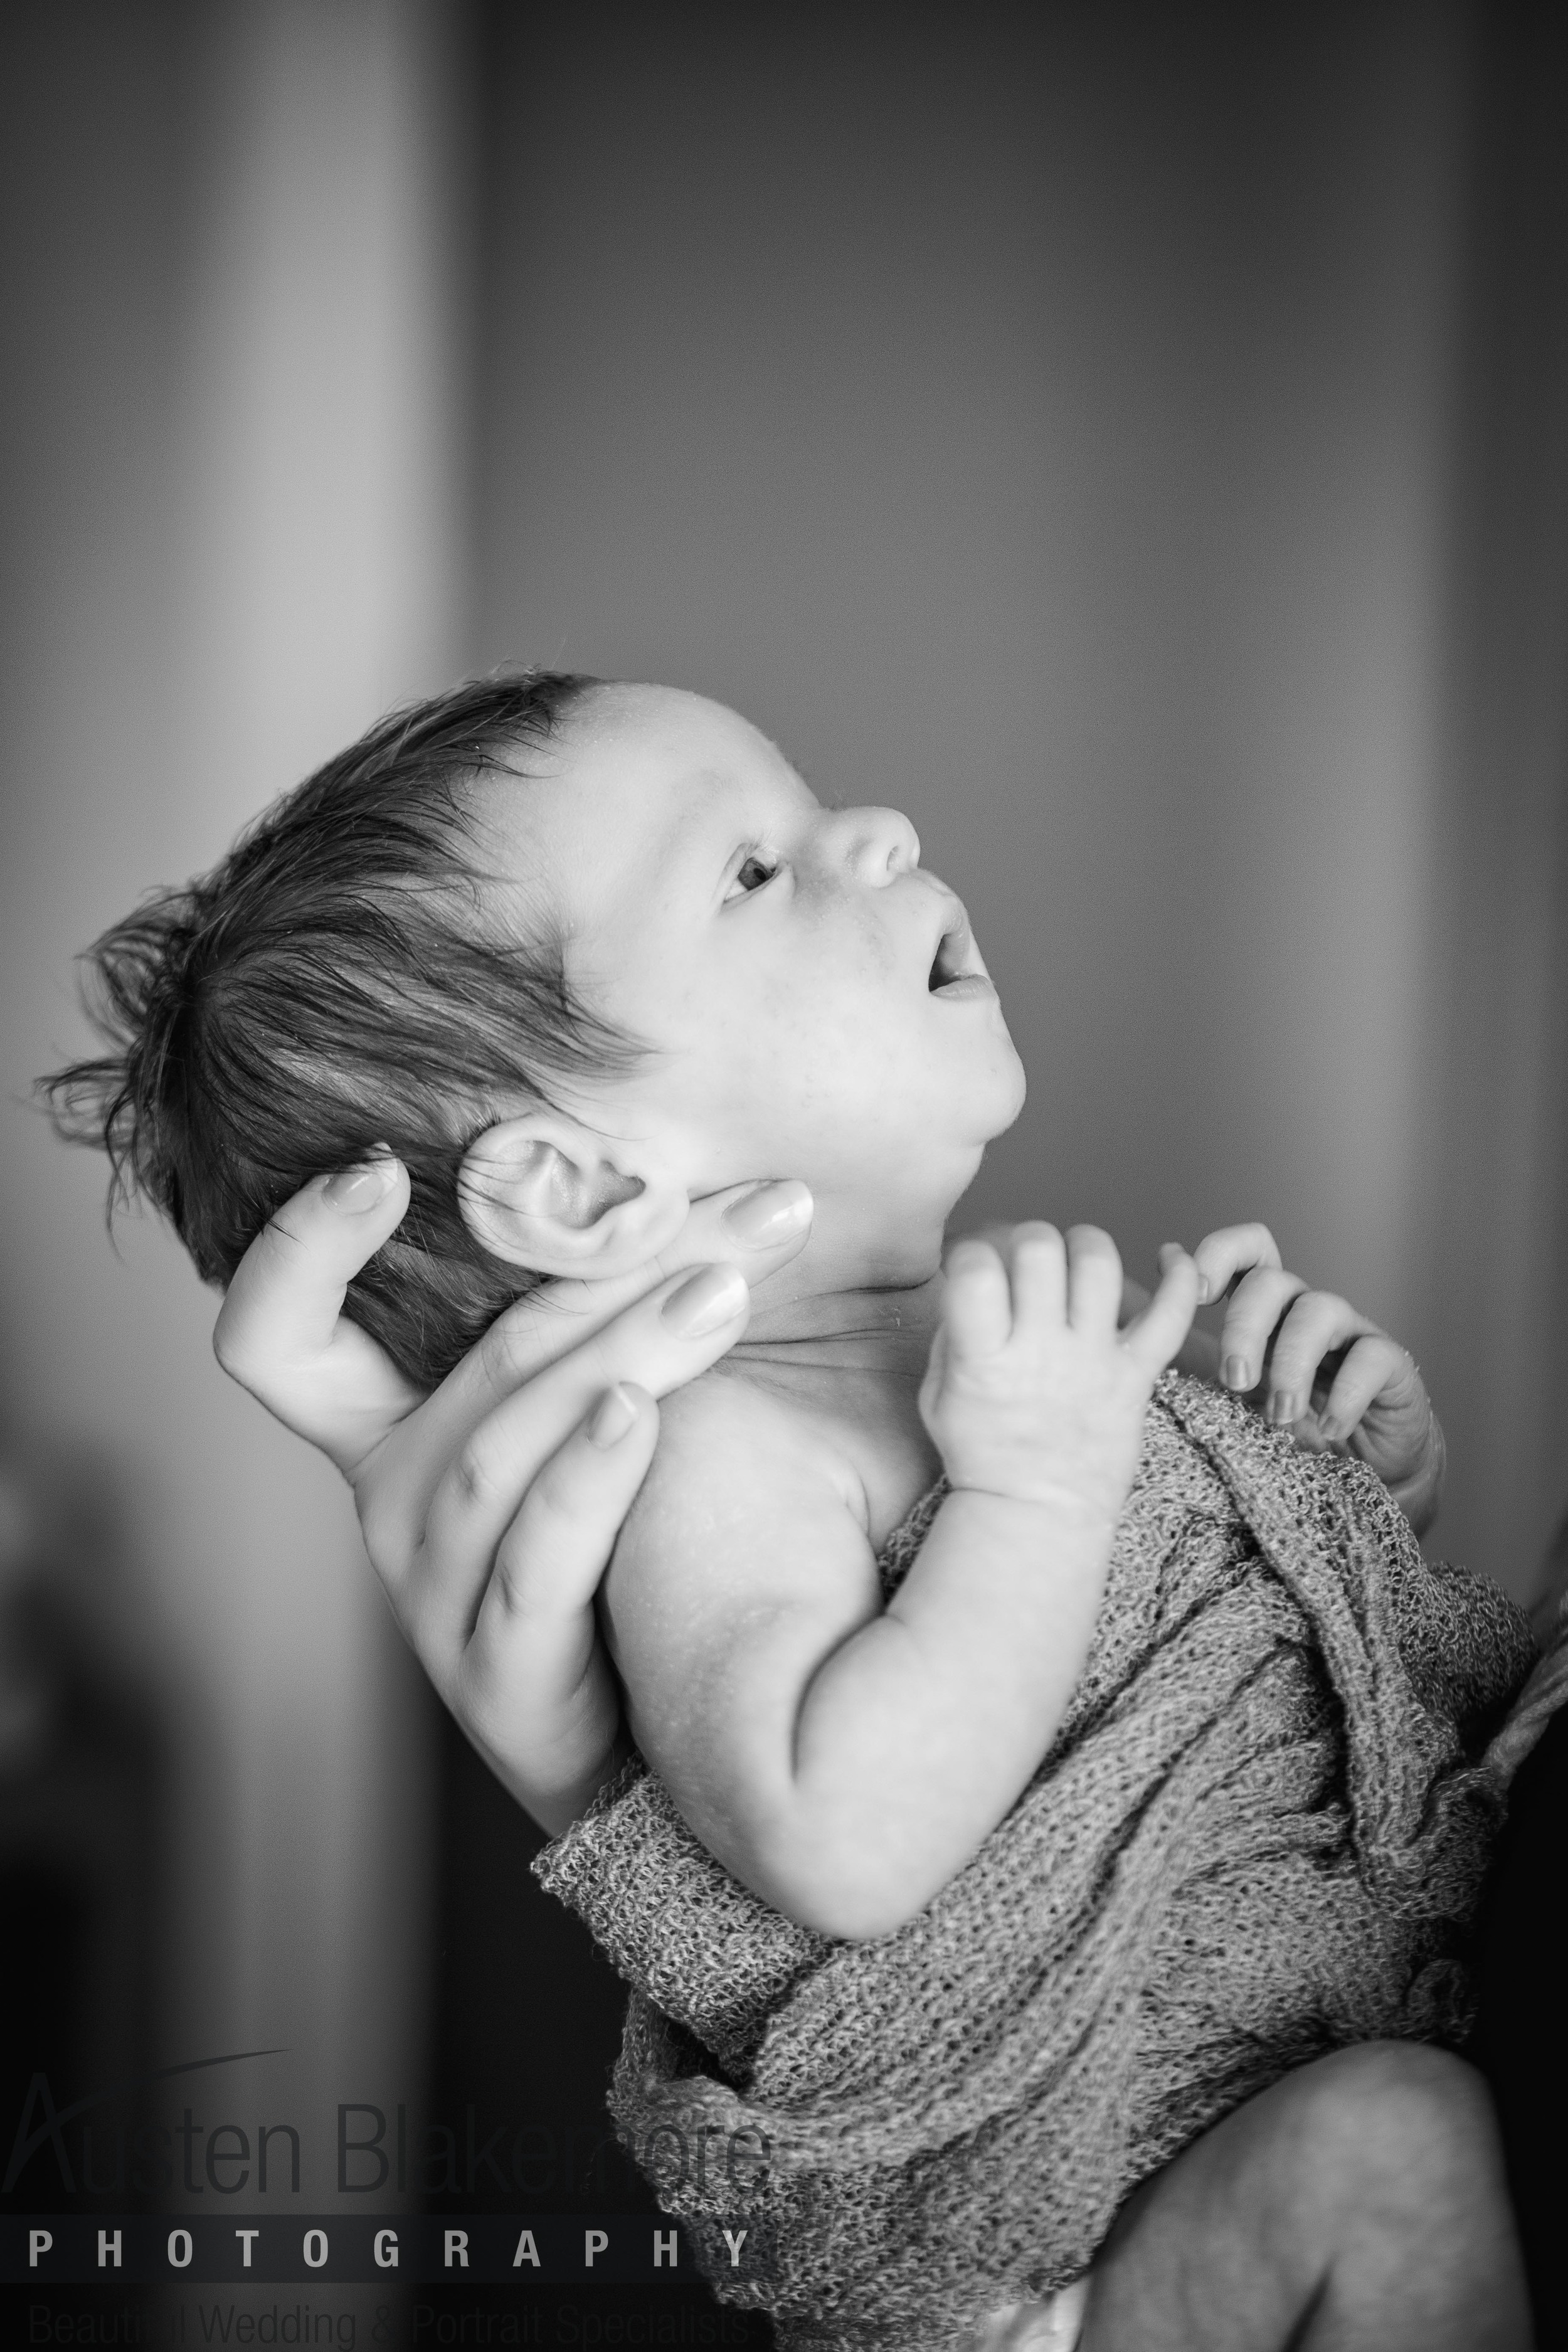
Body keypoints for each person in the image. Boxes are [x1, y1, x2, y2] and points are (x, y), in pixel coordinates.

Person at [46, 674, 1532, 2348]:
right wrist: (1039, 1481)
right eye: (749, 870)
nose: (876, 830)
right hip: (1080, 2259)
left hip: (1261, 2082)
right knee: (1392, 2156)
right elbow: (841, 1840)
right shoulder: (717, 1456)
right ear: (587, 1185)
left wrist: (1334, 1487)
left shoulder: (982, 1350)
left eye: (814, 803)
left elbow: (1214, 1706)